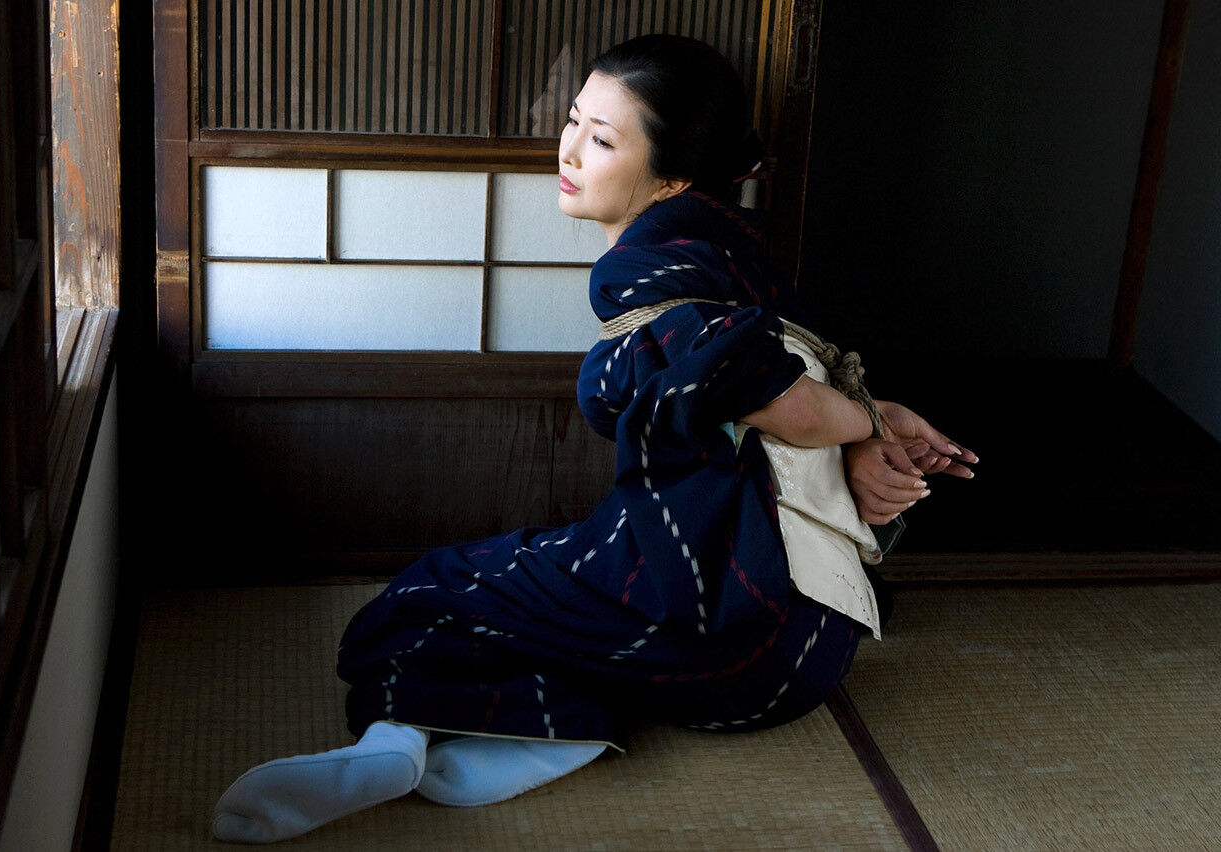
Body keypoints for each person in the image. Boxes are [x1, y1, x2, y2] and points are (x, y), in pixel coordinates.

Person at [211, 34, 976, 844]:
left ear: (674, 176)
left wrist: (874, 420)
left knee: (425, 596)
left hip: (713, 620)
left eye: (603, 139)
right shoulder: (738, 251)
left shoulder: (648, 266)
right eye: (574, 120)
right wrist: (867, 419)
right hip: (802, 658)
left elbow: (790, 408)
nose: (569, 150)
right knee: (559, 611)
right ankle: (536, 746)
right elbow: (787, 398)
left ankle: (394, 742)